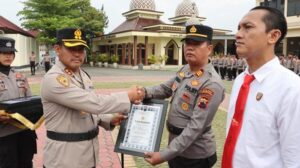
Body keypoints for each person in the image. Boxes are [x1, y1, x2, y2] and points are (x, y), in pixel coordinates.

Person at [41, 28, 142, 168]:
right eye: (72, 49)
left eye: (81, 49)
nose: (77, 54)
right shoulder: (54, 79)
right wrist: (128, 96)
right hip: (64, 158)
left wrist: (108, 119)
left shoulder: (82, 75)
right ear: (58, 49)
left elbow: (86, 109)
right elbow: (95, 104)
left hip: (88, 155)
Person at [222, 6, 300, 168]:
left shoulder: (291, 88)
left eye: (248, 27)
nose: (238, 34)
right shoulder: (240, 80)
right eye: (238, 28)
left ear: (273, 36)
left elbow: (294, 157)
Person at [143, 23, 225, 168]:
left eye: (197, 44)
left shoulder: (211, 83)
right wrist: (142, 92)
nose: (190, 47)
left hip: (195, 156)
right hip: (177, 148)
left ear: (209, 49)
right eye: (187, 43)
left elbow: (196, 128)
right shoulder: (185, 69)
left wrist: (164, 154)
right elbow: (164, 89)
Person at [0, 37, 36, 168]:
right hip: (4, 133)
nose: (8, 56)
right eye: (4, 53)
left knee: (26, 163)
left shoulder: (20, 76)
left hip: (24, 130)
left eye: (11, 53)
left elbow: (30, 100)